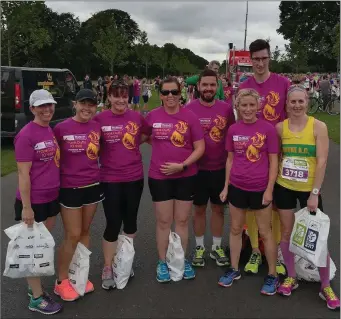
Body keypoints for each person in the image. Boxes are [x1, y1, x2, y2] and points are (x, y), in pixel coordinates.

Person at [274, 85, 340, 310]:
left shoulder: (318, 126)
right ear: (286, 104)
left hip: (308, 190)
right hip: (284, 186)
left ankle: (325, 285)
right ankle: (291, 276)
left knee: (316, 236)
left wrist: (314, 192)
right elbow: (278, 158)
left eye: (301, 101)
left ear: (307, 102)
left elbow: (322, 161)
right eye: (293, 101)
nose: (297, 105)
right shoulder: (280, 128)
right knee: (286, 232)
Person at [219, 88, 279, 295]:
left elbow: (273, 161)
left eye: (252, 105)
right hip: (237, 186)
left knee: (265, 232)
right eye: (243, 105)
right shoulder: (233, 130)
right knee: (235, 229)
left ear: (259, 106)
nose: (247, 109)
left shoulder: (268, 129)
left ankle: (272, 274)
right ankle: (234, 269)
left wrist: (269, 190)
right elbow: (230, 159)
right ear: (237, 106)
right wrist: (226, 186)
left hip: (260, 188)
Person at [145, 77, 205, 283]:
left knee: (181, 221)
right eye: (165, 92)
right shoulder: (152, 116)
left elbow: (200, 147)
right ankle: (162, 261)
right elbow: (144, 137)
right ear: (160, 95)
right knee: (163, 221)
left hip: (185, 176)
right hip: (159, 176)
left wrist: (182, 165)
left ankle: (180, 259)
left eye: (174, 92)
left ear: (181, 94)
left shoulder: (190, 117)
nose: (170, 96)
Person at [239, 39, 290, 276]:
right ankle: (256, 251)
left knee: (277, 205)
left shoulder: (283, 83)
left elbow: (292, 118)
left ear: (270, 58)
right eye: (256, 59)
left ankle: (278, 252)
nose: (260, 63)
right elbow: (239, 119)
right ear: (251, 60)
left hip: (277, 154)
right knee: (251, 204)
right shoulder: (244, 85)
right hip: (250, 155)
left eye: (264, 58)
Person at [93, 80, 148, 290]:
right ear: (109, 97)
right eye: (116, 95)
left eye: (124, 96)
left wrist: (132, 145)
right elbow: (93, 143)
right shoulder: (100, 118)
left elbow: (144, 134)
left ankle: (124, 261)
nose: (121, 100)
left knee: (131, 223)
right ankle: (108, 266)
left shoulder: (135, 116)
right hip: (109, 179)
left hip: (134, 177)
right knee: (113, 223)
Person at [14, 89, 62, 314]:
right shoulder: (26, 135)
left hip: (51, 197)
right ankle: (36, 298)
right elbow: (23, 174)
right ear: (32, 108)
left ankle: (34, 288)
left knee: (42, 247)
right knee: (33, 250)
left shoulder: (48, 130)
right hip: (33, 201)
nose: (47, 110)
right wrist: (26, 206)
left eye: (50, 105)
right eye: (42, 106)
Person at [53, 89, 102, 301]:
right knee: (72, 234)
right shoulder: (61, 128)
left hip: (92, 185)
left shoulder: (97, 126)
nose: (87, 108)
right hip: (69, 187)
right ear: (75, 104)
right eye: (83, 103)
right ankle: (61, 281)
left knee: (84, 232)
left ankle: (79, 275)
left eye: (91, 104)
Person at [186, 69, 235, 267]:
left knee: (218, 209)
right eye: (204, 85)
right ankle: (199, 247)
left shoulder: (226, 109)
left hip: (220, 168)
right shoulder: (189, 108)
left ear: (217, 86)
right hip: (196, 169)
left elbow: (231, 136)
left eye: (212, 85)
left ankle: (216, 247)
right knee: (198, 209)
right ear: (198, 87)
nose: (208, 88)